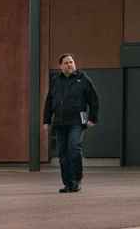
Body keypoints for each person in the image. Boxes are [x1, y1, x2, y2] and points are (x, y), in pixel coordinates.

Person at [43, 53, 99, 193]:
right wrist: (46, 120)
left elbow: (94, 99)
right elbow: (49, 101)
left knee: (74, 148)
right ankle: (68, 184)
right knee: (62, 153)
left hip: (78, 121)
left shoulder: (83, 78)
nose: (70, 64)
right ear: (60, 66)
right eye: (66, 62)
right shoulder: (56, 80)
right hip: (60, 122)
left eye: (71, 62)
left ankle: (77, 180)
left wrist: (92, 118)